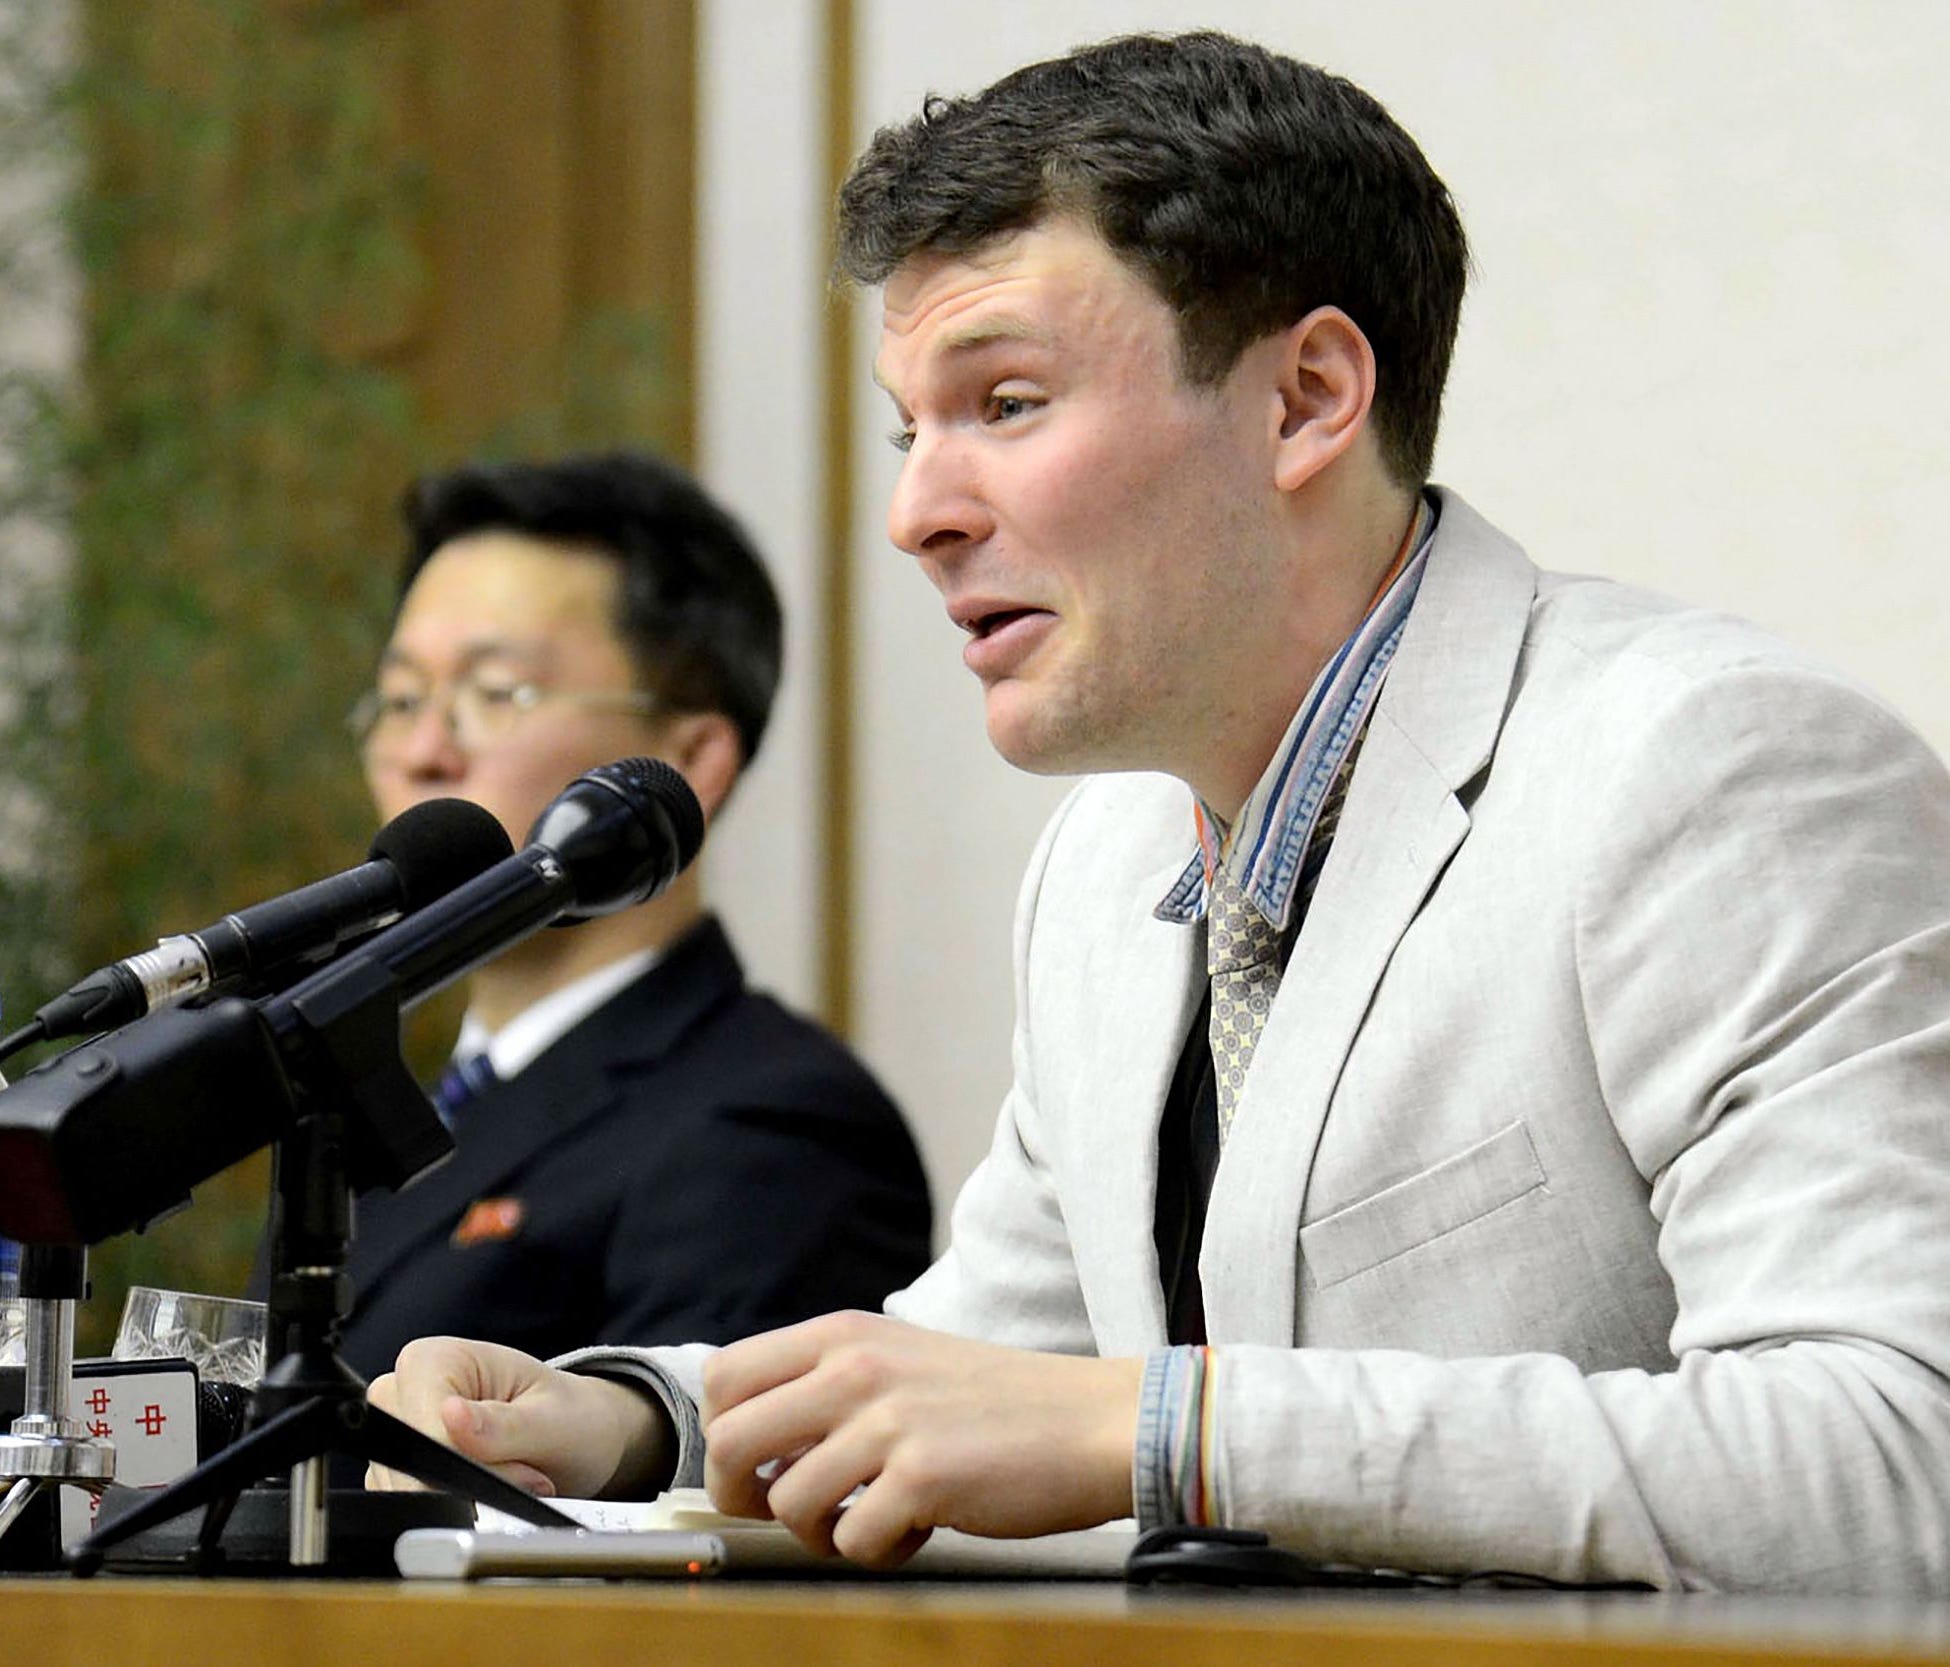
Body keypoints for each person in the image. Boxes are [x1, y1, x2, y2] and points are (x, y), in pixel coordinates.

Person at [365, 37, 1950, 1592]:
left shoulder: (1706, 767)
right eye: (906, 428)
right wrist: (636, 1417)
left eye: (1003, 400)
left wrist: (1174, 1428)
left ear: (1304, 398)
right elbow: (982, 1366)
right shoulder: (1108, 861)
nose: (917, 510)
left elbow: (1899, 1457)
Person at [329, 450, 933, 1381]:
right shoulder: (380, 1114)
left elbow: (700, 1509)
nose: (420, 752)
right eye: (403, 698)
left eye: (496, 694)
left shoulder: (774, 1126)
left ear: (686, 759)